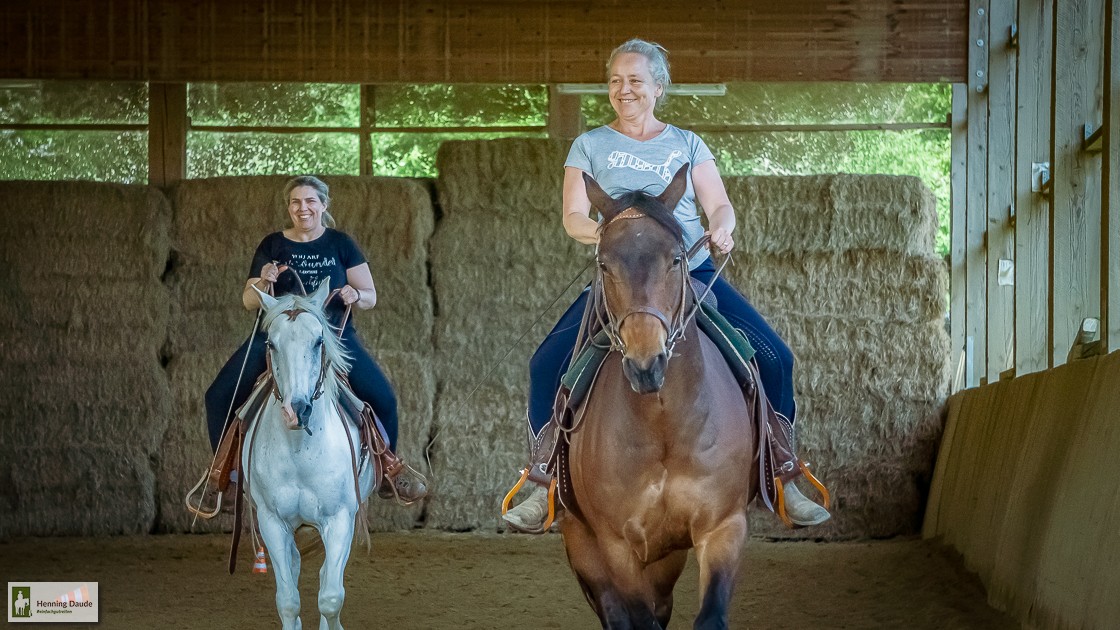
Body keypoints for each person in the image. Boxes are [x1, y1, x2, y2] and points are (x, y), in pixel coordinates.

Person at [502, 39, 829, 531]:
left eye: (635, 80)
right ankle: (543, 479)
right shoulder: (588, 145)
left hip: (687, 274)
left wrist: (722, 226)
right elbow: (573, 215)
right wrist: (608, 233)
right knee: (545, 363)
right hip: (621, 279)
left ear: (658, 88)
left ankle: (783, 473)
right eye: (616, 81)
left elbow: (719, 204)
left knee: (776, 358)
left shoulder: (687, 143)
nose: (624, 89)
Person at [204, 175, 427, 503]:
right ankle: (224, 475)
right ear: (288, 208)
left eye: (310, 201)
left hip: (332, 338)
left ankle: (389, 469)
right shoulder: (272, 245)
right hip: (276, 338)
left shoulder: (341, 244)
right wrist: (263, 281)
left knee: (384, 397)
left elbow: (370, 296)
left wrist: (355, 294)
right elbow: (249, 301)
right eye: (295, 202)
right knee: (218, 395)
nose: (303, 208)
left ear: (323, 205)